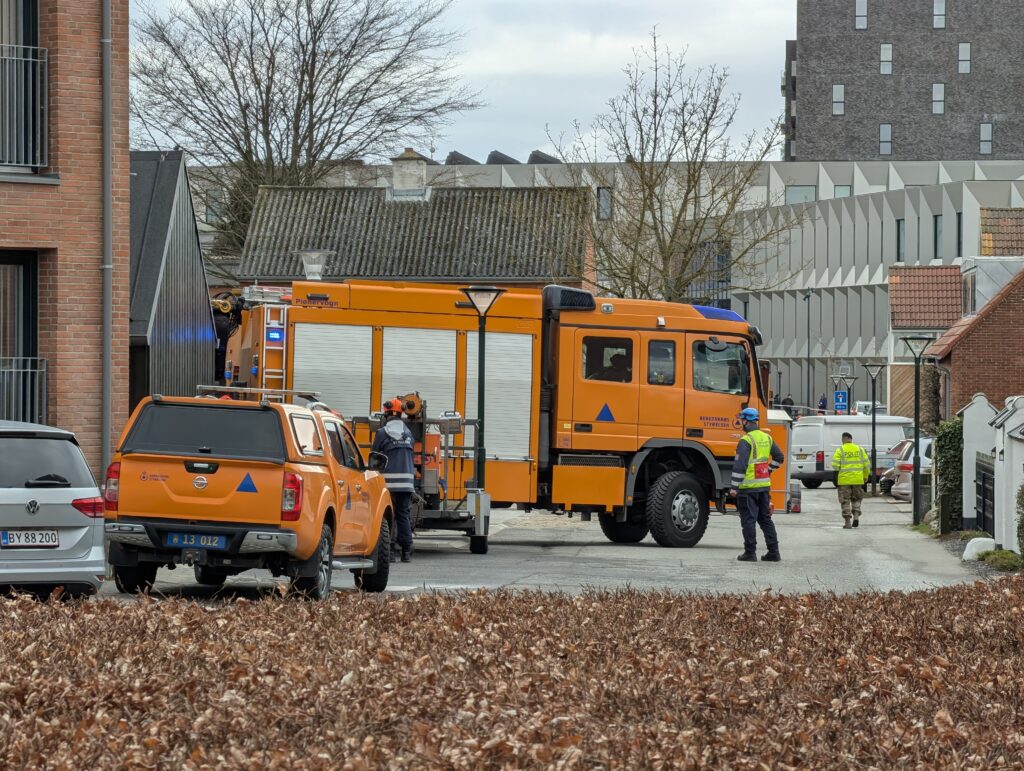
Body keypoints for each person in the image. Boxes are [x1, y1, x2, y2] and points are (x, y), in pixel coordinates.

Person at [729, 407, 785, 562]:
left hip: (748, 488)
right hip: (764, 486)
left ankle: (750, 552)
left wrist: (734, 487)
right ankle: (774, 552)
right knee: (765, 519)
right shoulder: (767, 437)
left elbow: (740, 466)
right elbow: (779, 458)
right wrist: (769, 469)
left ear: (745, 421)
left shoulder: (746, 440)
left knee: (748, 520)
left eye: (742, 420)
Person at [372, 399, 416, 562]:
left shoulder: (382, 433)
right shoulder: (409, 433)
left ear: (387, 414)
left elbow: (374, 456)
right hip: (406, 483)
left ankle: (389, 552)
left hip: (388, 483)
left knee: (388, 515)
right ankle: (406, 552)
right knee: (403, 515)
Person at [833, 432, 870, 529]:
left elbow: (835, 465)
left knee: (845, 501)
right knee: (856, 499)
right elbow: (866, 465)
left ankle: (848, 523)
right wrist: (865, 476)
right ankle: (856, 517)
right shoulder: (860, 449)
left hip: (844, 480)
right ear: (851, 439)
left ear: (844, 439)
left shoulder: (840, 450)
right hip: (858, 479)